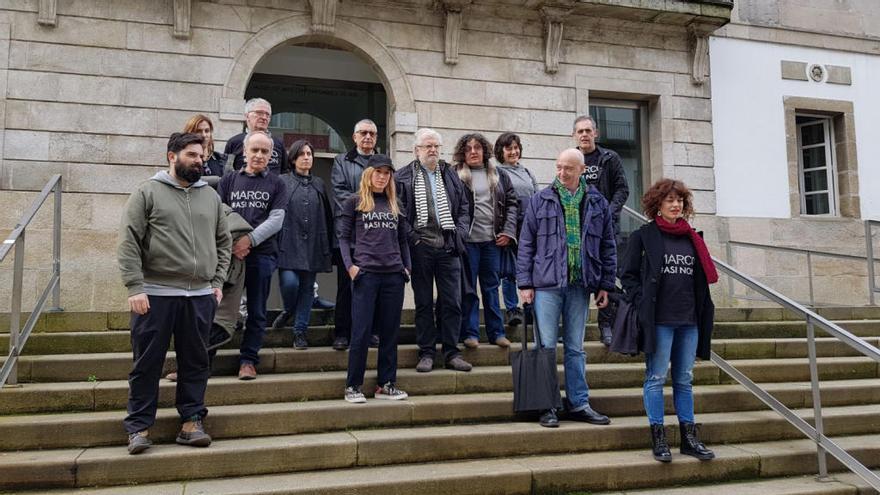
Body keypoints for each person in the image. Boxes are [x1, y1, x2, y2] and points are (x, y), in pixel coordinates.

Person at [117, 132, 231, 454]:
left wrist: (218, 282)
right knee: (147, 363)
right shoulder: (147, 192)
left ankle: (191, 422)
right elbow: (128, 241)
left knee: (196, 362)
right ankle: (139, 427)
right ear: (172, 155)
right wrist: (135, 287)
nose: (200, 160)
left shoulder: (211, 196)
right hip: (154, 295)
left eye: (202, 155)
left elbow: (224, 242)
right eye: (193, 155)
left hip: (199, 297)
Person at [516, 148, 616, 428]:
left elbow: (608, 245)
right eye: (559, 167)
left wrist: (605, 284)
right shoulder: (540, 200)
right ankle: (547, 404)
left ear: (582, 170)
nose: (562, 173)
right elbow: (526, 244)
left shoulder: (597, 202)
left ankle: (579, 403)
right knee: (545, 346)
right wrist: (524, 283)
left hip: (580, 284)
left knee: (575, 348)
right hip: (545, 284)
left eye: (568, 168)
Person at [620, 178, 717, 463]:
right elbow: (627, 275)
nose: (676, 205)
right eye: (670, 201)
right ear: (657, 205)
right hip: (659, 320)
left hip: (689, 320)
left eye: (680, 201)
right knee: (655, 377)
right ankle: (659, 439)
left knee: (685, 379)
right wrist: (641, 301)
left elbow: (702, 280)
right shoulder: (644, 235)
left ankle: (689, 439)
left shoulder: (693, 238)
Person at [395, 128, 472, 373]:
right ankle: (426, 353)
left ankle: (451, 352)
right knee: (424, 303)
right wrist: (414, 240)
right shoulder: (403, 176)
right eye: (427, 146)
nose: (433, 150)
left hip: (449, 246)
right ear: (416, 150)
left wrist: (459, 232)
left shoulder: (450, 174)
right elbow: (400, 213)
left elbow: (464, 208)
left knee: (452, 302)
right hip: (421, 247)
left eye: (436, 146)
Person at [337, 155, 411, 403]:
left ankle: (386, 384)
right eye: (378, 172)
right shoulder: (354, 202)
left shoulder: (394, 204)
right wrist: (350, 267)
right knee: (361, 332)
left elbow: (403, 240)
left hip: (393, 275)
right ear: (369, 174)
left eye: (387, 173)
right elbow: (344, 238)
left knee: (390, 333)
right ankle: (353, 386)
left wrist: (406, 268)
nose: (382, 176)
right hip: (366, 275)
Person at [218, 131, 287, 380]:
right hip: (230, 255)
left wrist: (250, 240)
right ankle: (202, 361)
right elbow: (219, 213)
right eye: (254, 150)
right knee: (220, 309)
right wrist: (235, 242)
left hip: (262, 256)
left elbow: (277, 219)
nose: (259, 155)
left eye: (264, 151)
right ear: (244, 152)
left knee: (257, 311)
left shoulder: (278, 183)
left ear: (271, 156)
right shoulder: (228, 180)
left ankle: (248, 360)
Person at [452, 133, 518, 348]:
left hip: (492, 242)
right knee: (468, 289)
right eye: (468, 148)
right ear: (462, 152)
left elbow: (512, 204)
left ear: (485, 151)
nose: (473, 151)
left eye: (477, 147)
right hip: (468, 242)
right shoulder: (455, 175)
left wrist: (508, 231)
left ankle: (497, 333)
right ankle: (470, 334)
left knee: (491, 288)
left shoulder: (499, 175)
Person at [272, 140, 335, 350]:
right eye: (302, 154)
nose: (307, 157)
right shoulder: (281, 181)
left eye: (309, 154)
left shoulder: (319, 183)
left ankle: (300, 332)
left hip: (314, 244)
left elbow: (327, 214)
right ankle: (289, 310)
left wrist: (328, 245)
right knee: (290, 284)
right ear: (293, 159)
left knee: (307, 289)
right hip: (288, 242)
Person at [573, 115, 629, 346]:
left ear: (595, 133)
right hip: (576, 229)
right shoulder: (571, 159)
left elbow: (622, 189)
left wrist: (608, 211)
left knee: (607, 275)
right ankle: (572, 325)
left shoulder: (609, 158)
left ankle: (606, 325)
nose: (584, 135)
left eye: (588, 130)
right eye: (580, 131)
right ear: (574, 135)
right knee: (577, 276)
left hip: (605, 229)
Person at [330, 119, 380, 351]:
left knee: (371, 286)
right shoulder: (342, 161)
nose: (368, 137)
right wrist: (367, 207)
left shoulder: (383, 163)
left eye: (371, 133)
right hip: (349, 232)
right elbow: (340, 193)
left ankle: (370, 332)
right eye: (363, 133)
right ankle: (342, 332)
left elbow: (388, 193)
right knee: (346, 285)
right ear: (355, 137)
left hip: (376, 234)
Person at [494, 132, 538, 326]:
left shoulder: (527, 172)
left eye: (516, 147)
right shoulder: (496, 172)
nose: (513, 151)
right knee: (510, 271)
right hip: (510, 227)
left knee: (531, 268)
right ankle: (513, 309)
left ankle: (530, 307)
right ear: (500, 152)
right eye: (509, 148)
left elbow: (536, 198)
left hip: (530, 227)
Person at [224, 98, 287, 175]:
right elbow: (226, 170)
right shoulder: (234, 142)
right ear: (247, 116)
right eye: (259, 113)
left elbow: (285, 171)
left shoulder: (278, 142)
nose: (264, 117)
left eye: (267, 115)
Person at [183, 114, 227, 184]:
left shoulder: (221, 160)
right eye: (199, 131)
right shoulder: (185, 159)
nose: (204, 135)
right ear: (190, 133)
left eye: (207, 131)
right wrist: (218, 180)